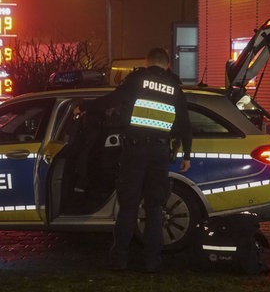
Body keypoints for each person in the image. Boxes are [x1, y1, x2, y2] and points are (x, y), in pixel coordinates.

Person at [73, 48, 192, 272]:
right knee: (155, 208)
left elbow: (112, 100)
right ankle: (152, 262)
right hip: (159, 153)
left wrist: (84, 105)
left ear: (147, 62)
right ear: (167, 65)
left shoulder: (138, 79)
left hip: (135, 152)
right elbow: (185, 124)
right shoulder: (174, 87)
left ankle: (119, 260)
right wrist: (186, 155)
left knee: (128, 207)